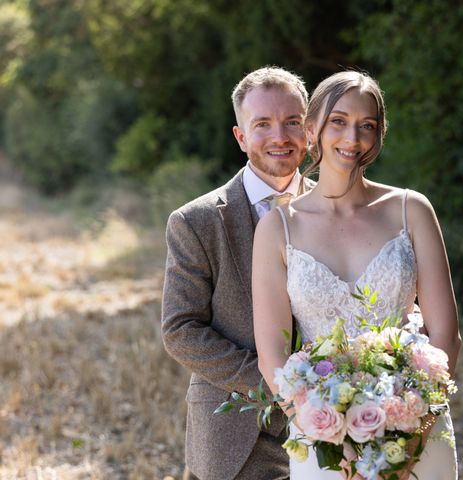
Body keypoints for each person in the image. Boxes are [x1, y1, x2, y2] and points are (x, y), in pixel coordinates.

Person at [252, 71, 462, 479]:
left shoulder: (411, 211)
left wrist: (409, 443)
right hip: (323, 446)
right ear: (311, 129)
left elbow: (446, 338)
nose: (352, 138)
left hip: (419, 431)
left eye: (367, 126)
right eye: (339, 122)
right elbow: (271, 358)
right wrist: (335, 447)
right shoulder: (278, 228)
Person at [161, 66, 313, 480]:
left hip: (335, 424)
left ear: (311, 129)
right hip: (236, 430)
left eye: (292, 121)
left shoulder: (338, 211)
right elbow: (180, 329)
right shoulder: (196, 221)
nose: (279, 135)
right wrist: (282, 389)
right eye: (262, 124)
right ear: (241, 136)